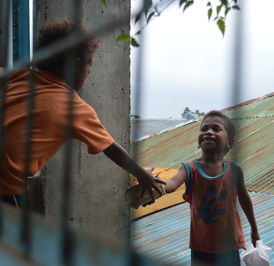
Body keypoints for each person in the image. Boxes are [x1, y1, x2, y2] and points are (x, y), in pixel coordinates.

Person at [0, 20, 164, 208]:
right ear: (76, 65)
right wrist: (142, 175)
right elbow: (112, 148)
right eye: (89, 66)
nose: (88, 72)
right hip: (6, 187)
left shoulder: (19, 76)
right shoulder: (75, 108)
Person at [163, 110, 260, 266]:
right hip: (201, 247)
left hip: (229, 246)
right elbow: (171, 184)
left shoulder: (235, 169)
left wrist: (254, 230)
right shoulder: (190, 168)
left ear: (229, 142)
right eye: (204, 128)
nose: (208, 132)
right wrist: (153, 183)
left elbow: (244, 199)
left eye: (216, 129)